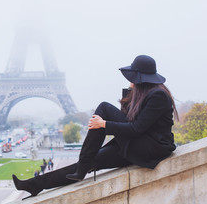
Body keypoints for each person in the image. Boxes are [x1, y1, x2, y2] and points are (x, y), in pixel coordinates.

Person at [12, 55, 178, 200]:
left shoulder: (158, 96)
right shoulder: (143, 93)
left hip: (151, 148)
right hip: (138, 144)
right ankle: (36, 184)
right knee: (93, 160)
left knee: (104, 108)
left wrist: (104, 124)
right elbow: (128, 121)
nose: (130, 79)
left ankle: (84, 163)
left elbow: (136, 128)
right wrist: (130, 93)